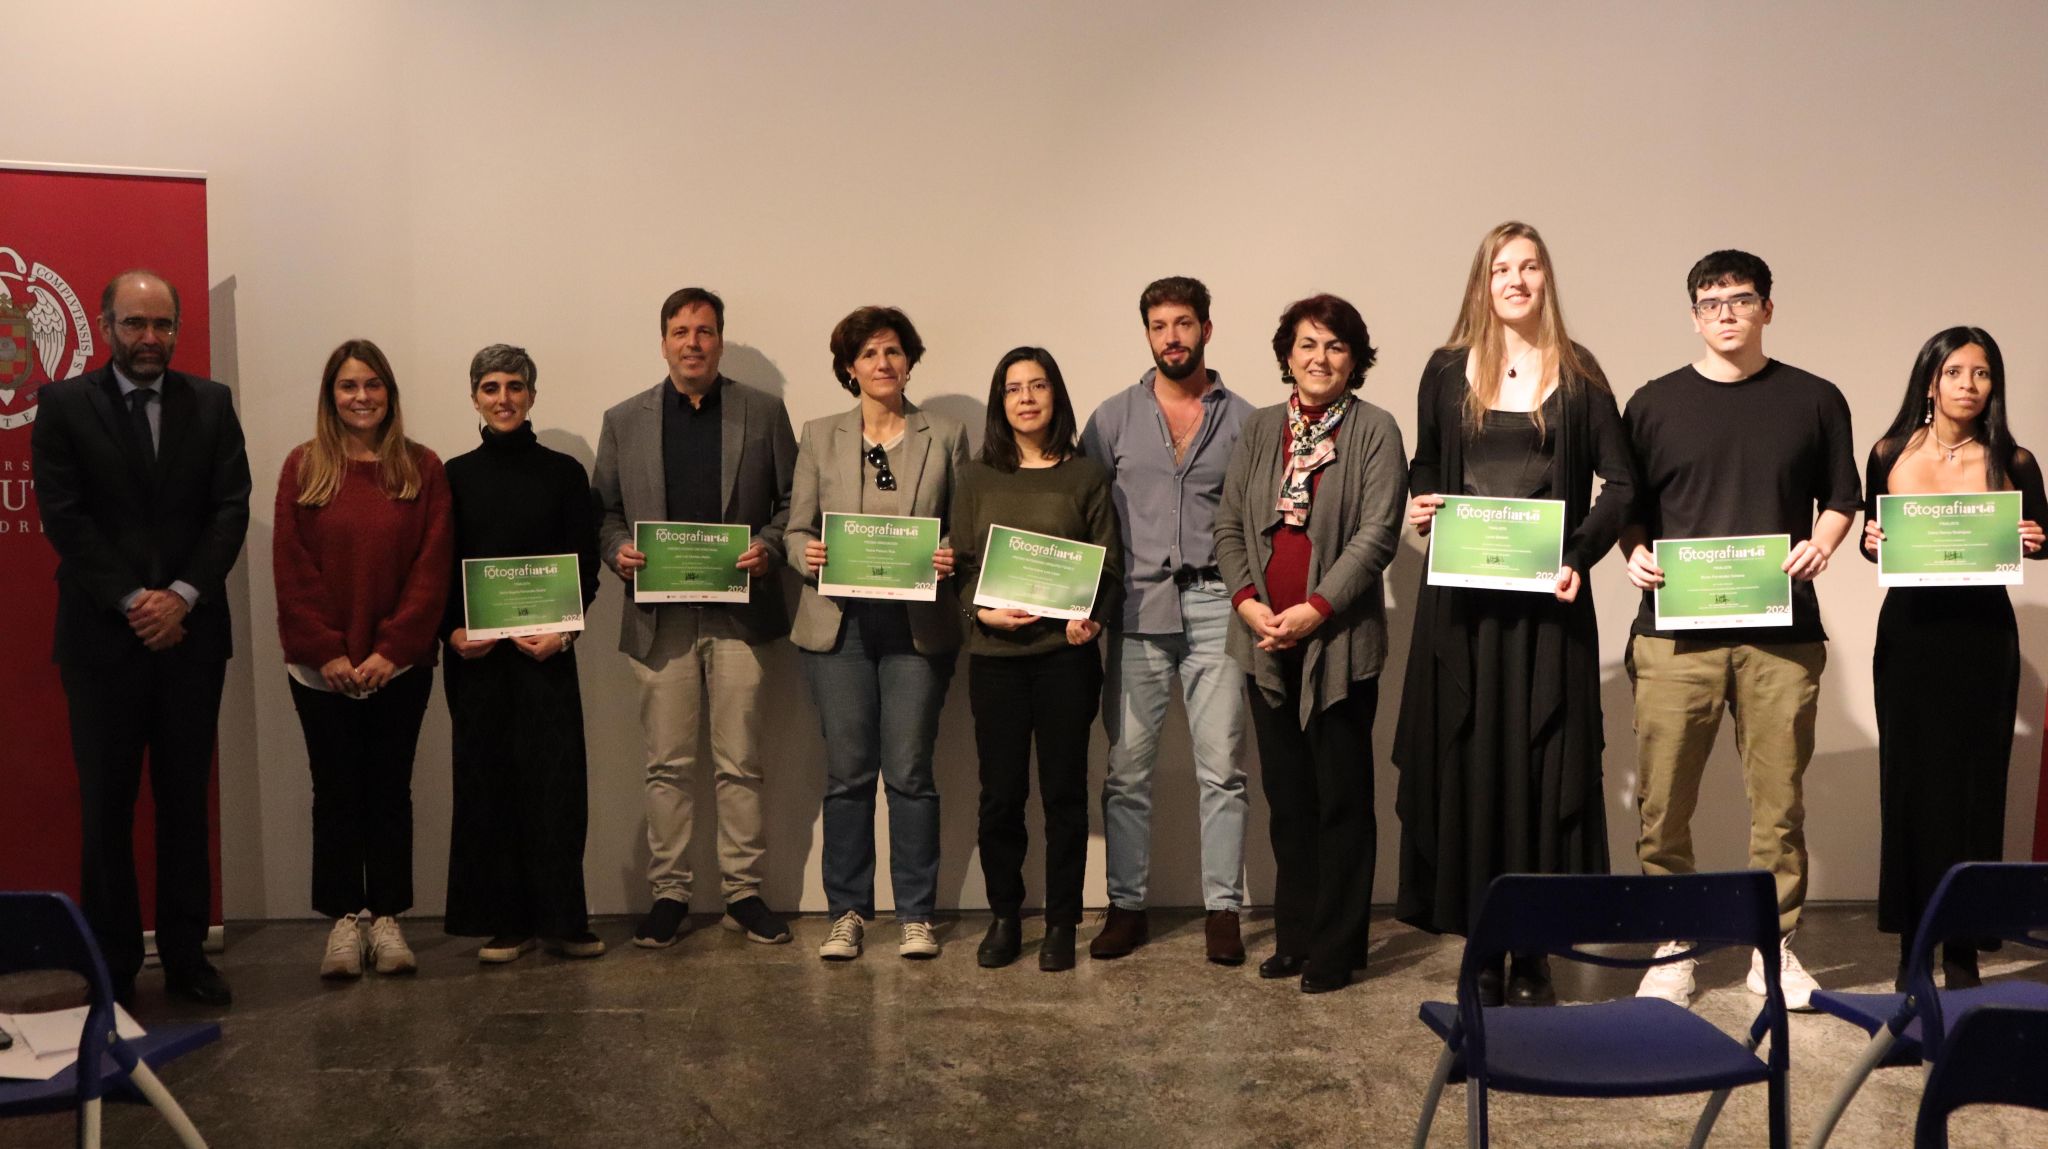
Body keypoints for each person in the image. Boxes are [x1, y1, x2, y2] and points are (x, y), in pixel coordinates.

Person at [1392, 222, 1635, 1007]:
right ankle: (1483, 944)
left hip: (1545, 613)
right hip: (1462, 613)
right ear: (1483, 281)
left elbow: (1622, 484)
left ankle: (1532, 953)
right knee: (1470, 763)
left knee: (1539, 767)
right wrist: (1422, 499)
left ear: (1546, 279)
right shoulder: (1444, 370)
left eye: (1530, 267)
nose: (1517, 280)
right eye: (1503, 268)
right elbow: (1427, 462)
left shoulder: (1582, 373)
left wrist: (1580, 556)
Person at [1620, 250, 1861, 1011]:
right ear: (1694, 315)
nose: (1726, 313)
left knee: (1779, 804)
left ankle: (1772, 947)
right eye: (1711, 301)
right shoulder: (1653, 403)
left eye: (1742, 299)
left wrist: (1822, 542)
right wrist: (1633, 553)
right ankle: (1673, 947)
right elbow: (1627, 504)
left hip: (1780, 636)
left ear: (1768, 309)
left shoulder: (1814, 398)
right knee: (1664, 803)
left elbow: (1843, 495)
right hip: (1674, 635)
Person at [32, 270, 251, 1007]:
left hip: (192, 637)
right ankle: (114, 965)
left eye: (162, 324)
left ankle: (187, 957)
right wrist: (135, 601)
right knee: (107, 808)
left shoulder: (212, 403)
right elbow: (64, 517)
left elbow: (230, 508)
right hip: (102, 639)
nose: (150, 337)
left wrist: (181, 596)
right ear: (105, 327)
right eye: (135, 323)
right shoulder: (64, 405)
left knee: (186, 803)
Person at [593, 287, 797, 950]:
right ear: (663, 343)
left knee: (740, 762)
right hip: (661, 619)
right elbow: (604, 511)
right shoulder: (623, 420)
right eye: (680, 331)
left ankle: (743, 893)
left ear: (719, 340)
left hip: (741, 615)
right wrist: (615, 551)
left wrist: (768, 547)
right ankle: (670, 894)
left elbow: (794, 502)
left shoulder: (763, 412)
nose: (692, 342)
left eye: (704, 331)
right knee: (668, 766)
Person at [1215, 293, 1406, 994]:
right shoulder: (1260, 427)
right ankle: (1294, 936)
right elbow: (1229, 524)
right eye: (1307, 344)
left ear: (1354, 360)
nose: (1319, 358)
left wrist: (1316, 608)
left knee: (1342, 802)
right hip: (1264, 642)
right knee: (1289, 801)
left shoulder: (1376, 429)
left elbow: (1378, 534)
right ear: (1287, 356)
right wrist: (1248, 603)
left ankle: (1338, 946)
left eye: (1335, 346)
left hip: (1339, 645)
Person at [1860, 327, 2046, 989]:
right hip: (1911, 636)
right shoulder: (1888, 452)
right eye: (1956, 371)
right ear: (1930, 380)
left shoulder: (2013, 460)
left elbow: (2045, 535)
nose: (1969, 385)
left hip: (1982, 637)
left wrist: (2035, 536)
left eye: (1982, 373)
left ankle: (1963, 951)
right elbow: (1872, 542)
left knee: (1974, 787)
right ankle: (1912, 949)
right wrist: (1872, 540)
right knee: (1909, 784)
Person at [1081, 276, 1257, 965]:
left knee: (1223, 769)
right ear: (1147, 334)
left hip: (1218, 605)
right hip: (1136, 608)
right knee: (1127, 770)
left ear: (1206, 329)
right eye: (1159, 326)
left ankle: (1223, 911)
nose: (1171, 337)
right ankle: (1126, 907)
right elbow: (1086, 515)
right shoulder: (1111, 419)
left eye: (1183, 323)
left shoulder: (1245, 421)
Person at [787, 305, 968, 962]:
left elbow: (963, 526)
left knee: (911, 772)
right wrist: (804, 554)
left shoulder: (945, 435)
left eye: (893, 351)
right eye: (868, 354)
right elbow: (796, 528)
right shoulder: (819, 434)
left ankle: (917, 914)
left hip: (917, 626)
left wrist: (950, 553)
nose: (882, 363)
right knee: (848, 772)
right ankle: (848, 913)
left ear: (909, 361)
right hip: (840, 627)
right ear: (849, 368)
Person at [273, 339, 452, 981]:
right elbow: (292, 569)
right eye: (349, 386)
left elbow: (431, 570)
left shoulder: (421, 469)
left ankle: (389, 918)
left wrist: (391, 650)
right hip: (319, 671)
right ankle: (345, 921)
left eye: (373, 384)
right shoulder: (303, 467)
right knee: (335, 793)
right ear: (331, 395)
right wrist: (327, 651)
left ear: (389, 393)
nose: (361, 397)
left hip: (398, 668)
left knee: (389, 791)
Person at [951, 347, 1123, 971]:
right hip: (995, 659)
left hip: (1064, 659)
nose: (1026, 398)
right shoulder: (975, 478)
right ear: (1000, 402)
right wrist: (980, 614)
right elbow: (960, 570)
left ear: (1056, 395)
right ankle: (1004, 916)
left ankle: (1061, 921)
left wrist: (1091, 618)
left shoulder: (1087, 476)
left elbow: (1109, 567)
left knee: (1064, 795)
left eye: (1038, 385)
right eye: (1013, 388)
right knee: (1000, 796)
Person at [442, 345, 605, 963]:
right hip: (478, 659)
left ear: (532, 395)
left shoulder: (564, 473)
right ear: (474, 397)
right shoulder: (453, 475)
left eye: (515, 386)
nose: (504, 398)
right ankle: (507, 921)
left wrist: (566, 633)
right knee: (489, 785)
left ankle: (564, 919)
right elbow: (436, 566)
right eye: (491, 387)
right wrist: (452, 631)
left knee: (556, 786)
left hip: (547, 653)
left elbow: (584, 564)